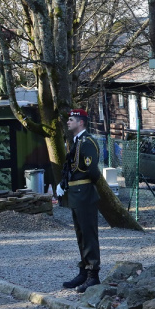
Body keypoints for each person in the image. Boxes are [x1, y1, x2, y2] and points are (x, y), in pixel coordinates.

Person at [56, 109, 102, 293]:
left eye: (72, 119)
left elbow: (93, 172)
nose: (68, 122)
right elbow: (71, 168)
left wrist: (81, 186)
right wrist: (64, 183)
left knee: (89, 235)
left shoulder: (87, 142)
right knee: (81, 234)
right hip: (76, 193)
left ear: (81, 123)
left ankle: (93, 275)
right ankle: (84, 271)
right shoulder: (76, 142)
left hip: (84, 193)